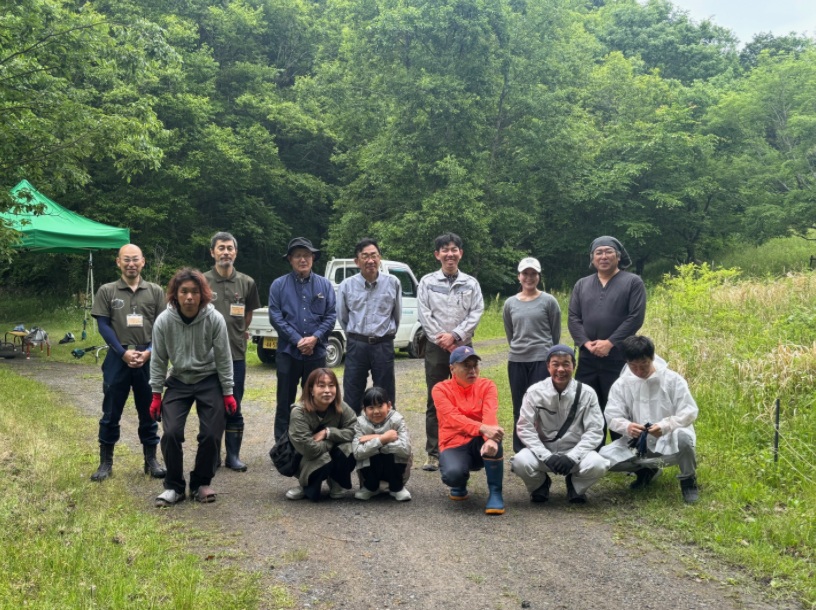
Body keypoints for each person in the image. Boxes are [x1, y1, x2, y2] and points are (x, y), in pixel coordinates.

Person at [149, 268, 236, 506]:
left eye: (195, 292)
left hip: (209, 379)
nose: (189, 297)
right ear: (175, 295)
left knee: (211, 434)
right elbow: (158, 360)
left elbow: (224, 358)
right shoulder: (164, 321)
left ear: (203, 294)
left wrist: (228, 392)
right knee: (171, 433)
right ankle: (174, 486)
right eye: (184, 291)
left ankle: (200, 483)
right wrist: (156, 394)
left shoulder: (214, 319)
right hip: (178, 380)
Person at [90, 244, 166, 482]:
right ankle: (105, 462)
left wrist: (150, 352)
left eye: (135, 259)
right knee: (111, 411)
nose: (131, 264)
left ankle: (151, 460)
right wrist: (122, 353)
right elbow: (103, 325)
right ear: (118, 262)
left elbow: (163, 325)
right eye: (126, 260)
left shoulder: (155, 291)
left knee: (149, 410)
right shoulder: (107, 291)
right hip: (117, 357)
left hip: (147, 357)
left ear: (143, 262)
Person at [599, 335, 700, 503]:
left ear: (652, 357)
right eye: (633, 366)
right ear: (626, 362)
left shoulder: (672, 380)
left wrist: (666, 426)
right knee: (602, 459)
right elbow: (612, 415)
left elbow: (689, 411)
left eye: (643, 364)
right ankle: (646, 471)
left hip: (670, 438)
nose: (639, 371)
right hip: (640, 443)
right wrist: (627, 427)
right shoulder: (622, 384)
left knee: (684, 437)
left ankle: (688, 480)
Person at [568, 236, 646, 446]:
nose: (603, 256)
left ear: (618, 256)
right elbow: (573, 318)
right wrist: (586, 343)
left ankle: (625, 452)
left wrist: (610, 343)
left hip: (619, 358)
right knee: (587, 404)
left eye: (608, 251)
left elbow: (635, 317)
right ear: (592, 258)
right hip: (587, 358)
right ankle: (592, 450)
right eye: (599, 252)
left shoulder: (632, 282)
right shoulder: (582, 284)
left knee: (620, 405)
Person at [417, 233, 484, 471]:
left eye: (454, 249)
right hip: (436, 347)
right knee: (435, 398)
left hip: (464, 347)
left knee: (468, 397)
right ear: (437, 255)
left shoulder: (471, 283)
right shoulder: (427, 282)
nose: (450, 254)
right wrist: (444, 340)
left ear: (460, 253)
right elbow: (424, 314)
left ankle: (467, 446)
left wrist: (455, 335)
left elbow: (476, 312)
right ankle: (434, 453)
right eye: (444, 250)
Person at [510, 345, 609, 503]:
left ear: (574, 366)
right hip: (543, 452)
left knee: (598, 464)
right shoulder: (534, 392)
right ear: (548, 366)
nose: (561, 369)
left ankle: (575, 486)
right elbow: (525, 427)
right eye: (555, 364)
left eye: (566, 364)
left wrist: (573, 457)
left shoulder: (587, 393)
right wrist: (545, 456)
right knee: (519, 461)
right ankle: (540, 485)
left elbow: (595, 430)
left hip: (576, 451)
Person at [269, 238, 337, 443]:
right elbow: (275, 316)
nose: (303, 259)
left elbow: (331, 316)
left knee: (317, 400)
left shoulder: (325, 285)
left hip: (316, 353)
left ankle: (313, 443)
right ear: (290, 259)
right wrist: (298, 340)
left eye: (307, 255)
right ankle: (283, 446)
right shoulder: (278, 285)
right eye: (298, 255)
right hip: (288, 353)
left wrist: (315, 338)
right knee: (284, 402)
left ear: (313, 258)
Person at [204, 231, 261, 472]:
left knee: (234, 404)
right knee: (210, 406)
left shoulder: (247, 282)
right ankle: (212, 455)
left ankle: (233, 456)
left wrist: (237, 333)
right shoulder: (202, 281)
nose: (225, 252)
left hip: (235, 354)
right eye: (221, 248)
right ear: (212, 252)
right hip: (207, 356)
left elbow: (247, 315)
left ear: (235, 252)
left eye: (229, 248)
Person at [433, 346, 505, 515]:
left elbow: (490, 414)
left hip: (479, 440)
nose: (472, 370)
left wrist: (491, 439)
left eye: (475, 365)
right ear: (452, 369)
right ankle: (459, 484)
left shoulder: (487, 386)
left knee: (496, 437)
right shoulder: (440, 389)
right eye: (466, 366)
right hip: (453, 442)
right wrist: (482, 428)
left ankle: (495, 493)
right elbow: (452, 417)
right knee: (453, 475)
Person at [503, 256, 561, 453]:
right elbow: (510, 333)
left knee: (541, 404)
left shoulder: (549, 301)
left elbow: (555, 333)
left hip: (541, 360)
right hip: (517, 360)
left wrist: (549, 356)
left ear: (539, 276)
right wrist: (519, 348)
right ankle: (520, 450)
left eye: (533, 273)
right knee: (519, 405)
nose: (529, 277)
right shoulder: (510, 303)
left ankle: (543, 447)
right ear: (519, 277)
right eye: (525, 273)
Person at [337, 238, 402, 413]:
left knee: (386, 393)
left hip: (383, 344)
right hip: (357, 345)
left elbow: (396, 316)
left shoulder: (393, 283)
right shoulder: (346, 285)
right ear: (357, 261)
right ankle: (352, 428)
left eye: (374, 255)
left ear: (379, 258)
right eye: (365, 256)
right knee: (352, 392)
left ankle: (387, 428)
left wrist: (386, 335)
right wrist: (356, 337)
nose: (370, 260)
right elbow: (343, 317)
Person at [285, 368, 357, 502]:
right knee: (323, 459)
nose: (327, 390)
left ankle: (336, 480)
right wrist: (334, 440)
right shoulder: (299, 412)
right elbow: (309, 449)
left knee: (349, 448)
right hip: (305, 458)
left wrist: (328, 433)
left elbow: (356, 429)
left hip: (323, 448)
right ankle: (305, 484)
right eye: (321, 386)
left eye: (331, 385)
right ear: (311, 390)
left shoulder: (340, 406)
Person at [352, 386, 412, 502]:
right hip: (370, 469)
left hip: (395, 468)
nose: (376, 411)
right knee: (368, 454)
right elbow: (357, 453)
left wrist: (373, 441)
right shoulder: (359, 423)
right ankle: (370, 487)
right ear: (364, 409)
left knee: (394, 453)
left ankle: (397, 487)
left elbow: (405, 450)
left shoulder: (397, 420)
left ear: (389, 405)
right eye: (371, 407)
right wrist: (382, 439)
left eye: (380, 406)